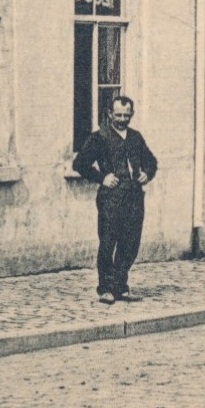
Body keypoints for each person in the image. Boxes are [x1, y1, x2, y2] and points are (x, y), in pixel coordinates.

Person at [74, 96, 158, 304]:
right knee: (108, 242)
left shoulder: (136, 137)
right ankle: (106, 288)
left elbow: (151, 162)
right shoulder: (99, 138)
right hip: (111, 199)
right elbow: (80, 164)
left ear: (132, 115)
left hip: (134, 198)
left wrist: (147, 173)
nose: (122, 119)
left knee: (130, 244)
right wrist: (102, 178)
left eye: (126, 115)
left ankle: (121, 286)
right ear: (110, 114)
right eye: (118, 115)